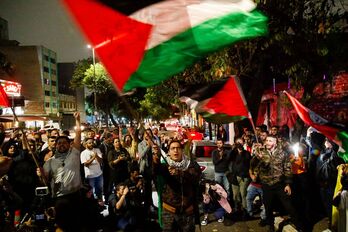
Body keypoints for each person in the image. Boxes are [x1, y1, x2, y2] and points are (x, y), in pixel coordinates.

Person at [37, 112, 82, 231]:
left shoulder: (74, 154)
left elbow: (78, 134)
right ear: (56, 146)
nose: (61, 145)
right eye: (59, 143)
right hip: (60, 198)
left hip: (76, 195)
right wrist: (40, 175)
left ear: (69, 145)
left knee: (76, 224)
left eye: (64, 143)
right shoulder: (50, 161)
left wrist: (77, 120)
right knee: (62, 225)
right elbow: (45, 180)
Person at [254, 135, 306, 232]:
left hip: (279, 184)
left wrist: (288, 184)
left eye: (270, 141)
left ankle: (300, 227)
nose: (267, 142)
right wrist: (258, 158)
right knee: (268, 207)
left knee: (289, 207)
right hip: (266, 184)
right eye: (266, 140)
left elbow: (287, 169)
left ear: (275, 143)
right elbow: (254, 166)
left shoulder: (283, 153)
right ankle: (271, 226)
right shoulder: (260, 152)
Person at [153, 140, 201, 232]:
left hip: (187, 212)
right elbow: (155, 170)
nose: (176, 151)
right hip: (169, 212)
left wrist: (179, 172)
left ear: (182, 150)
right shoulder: (165, 166)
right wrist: (156, 156)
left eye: (178, 148)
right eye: (173, 148)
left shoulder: (190, 164)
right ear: (169, 152)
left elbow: (195, 177)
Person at [80, 138, 104, 204]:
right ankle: (93, 204)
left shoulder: (97, 150)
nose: (91, 144)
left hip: (99, 174)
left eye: (92, 142)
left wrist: (96, 156)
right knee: (91, 192)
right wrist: (93, 157)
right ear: (86, 144)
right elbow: (86, 164)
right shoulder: (83, 153)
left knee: (100, 190)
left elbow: (101, 161)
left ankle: (100, 203)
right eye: (89, 143)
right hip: (90, 176)